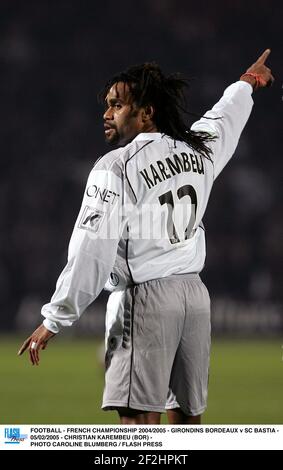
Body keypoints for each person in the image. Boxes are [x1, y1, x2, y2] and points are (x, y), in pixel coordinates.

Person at [18, 49, 274, 424]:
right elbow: (224, 117)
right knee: (187, 420)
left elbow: (92, 248)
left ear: (146, 112)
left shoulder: (116, 167)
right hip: (194, 298)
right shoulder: (196, 148)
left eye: (117, 105)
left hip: (145, 298)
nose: (106, 114)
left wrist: (55, 318)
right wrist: (247, 83)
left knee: (138, 421)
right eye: (107, 105)